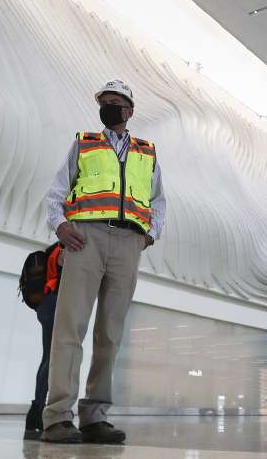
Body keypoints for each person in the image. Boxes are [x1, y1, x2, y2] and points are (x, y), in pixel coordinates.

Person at [40, 80, 166, 444]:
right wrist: (60, 224)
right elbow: (57, 191)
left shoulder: (147, 152)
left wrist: (150, 234)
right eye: (104, 102)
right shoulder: (84, 143)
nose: (108, 108)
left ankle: (95, 416)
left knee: (110, 333)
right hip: (85, 239)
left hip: (129, 243)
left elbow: (159, 200)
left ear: (129, 111)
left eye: (115, 103)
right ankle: (58, 416)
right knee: (70, 329)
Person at [25, 241, 64, 440]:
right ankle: (40, 410)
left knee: (47, 358)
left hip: (45, 306)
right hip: (53, 304)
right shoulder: (62, 250)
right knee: (52, 360)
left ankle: (36, 411)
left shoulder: (53, 250)